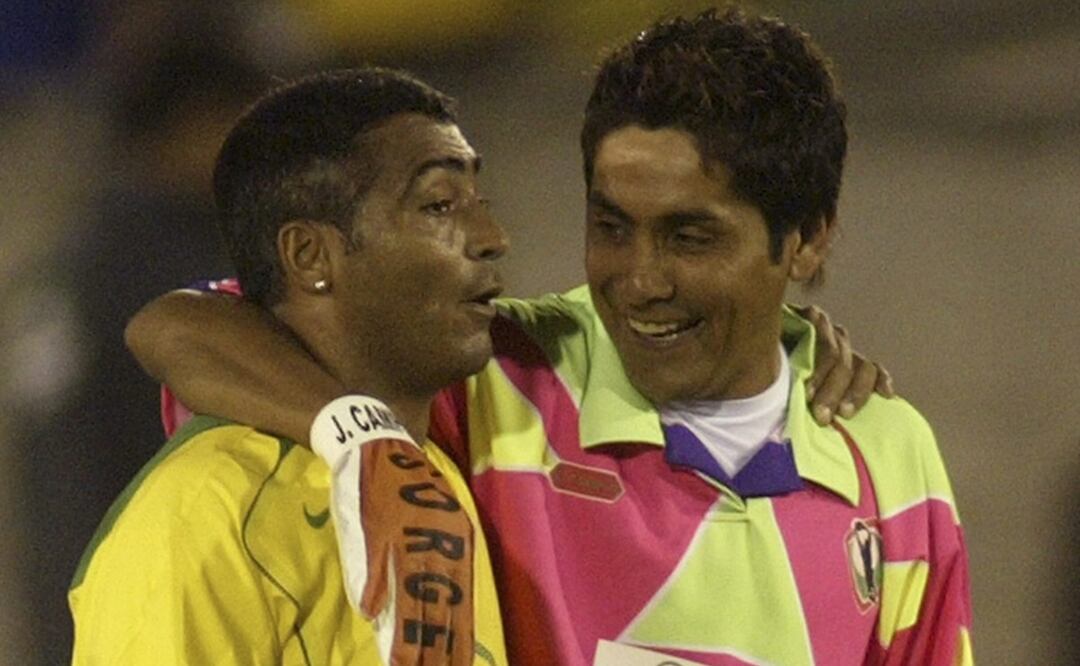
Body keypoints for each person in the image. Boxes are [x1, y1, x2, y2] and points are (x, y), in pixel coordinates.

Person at [126, 9, 972, 666]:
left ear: (807, 240)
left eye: (691, 237)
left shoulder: (890, 459)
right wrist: (360, 434)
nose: (640, 279)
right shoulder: (499, 375)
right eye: (611, 226)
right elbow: (181, 325)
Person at [69, 68, 510, 665]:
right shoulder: (204, 509)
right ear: (309, 256)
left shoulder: (435, 479)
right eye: (438, 205)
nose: (492, 237)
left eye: (480, 203)